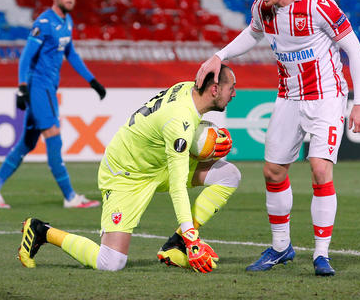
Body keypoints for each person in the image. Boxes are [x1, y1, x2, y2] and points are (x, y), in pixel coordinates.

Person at [196, 0, 360, 276]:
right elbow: (253, 33)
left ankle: (321, 254)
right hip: (288, 98)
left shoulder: (319, 5)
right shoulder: (263, 9)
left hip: (327, 97)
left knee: (320, 168)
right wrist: (220, 55)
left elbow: (354, 50)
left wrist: (359, 102)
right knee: (273, 172)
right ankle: (280, 247)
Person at [17, 67, 238, 273]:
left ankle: (176, 244)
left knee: (229, 175)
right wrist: (192, 237)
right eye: (232, 88)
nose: (235, 94)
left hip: (157, 165)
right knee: (111, 262)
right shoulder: (179, 121)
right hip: (126, 175)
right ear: (214, 89)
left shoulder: (188, 89)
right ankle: (41, 231)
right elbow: (178, 187)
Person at [0, 0, 106, 209]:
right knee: (54, 136)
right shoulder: (44, 23)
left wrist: (92, 81)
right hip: (39, 88)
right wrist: (22, 88)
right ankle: (70, 197)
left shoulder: (66, 21)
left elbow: (72, 54)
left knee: (26, 144)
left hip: (48, 89)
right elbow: (26, 57)